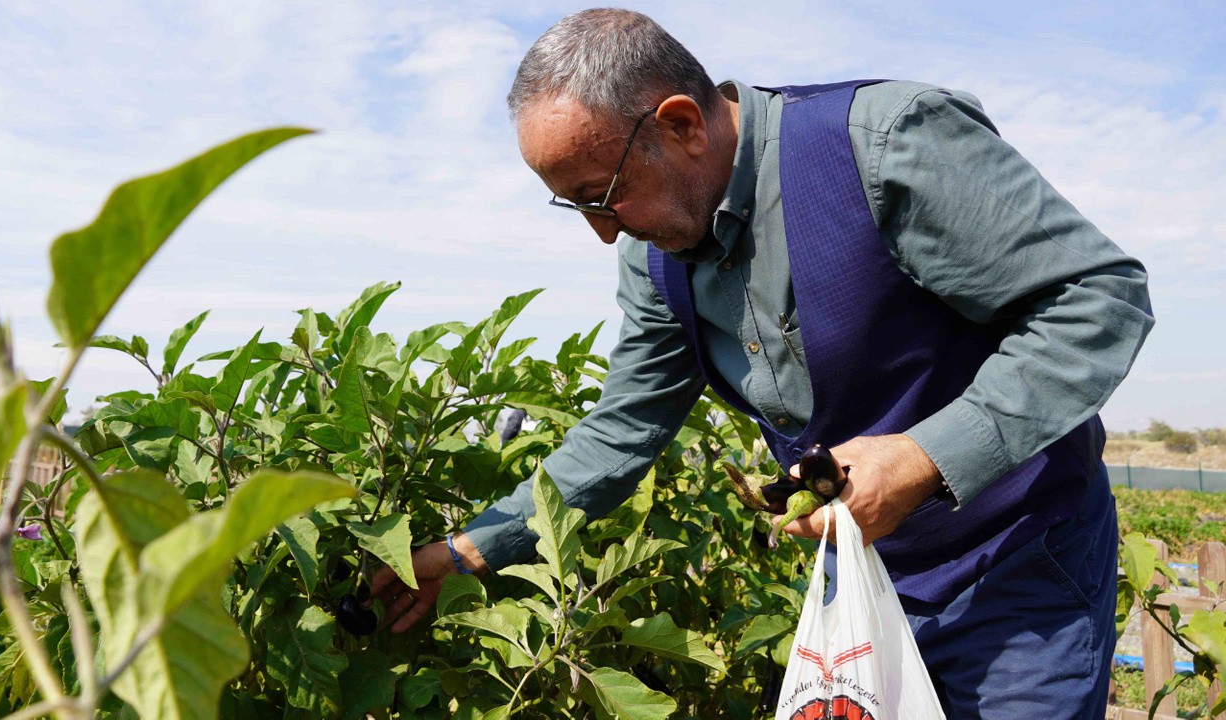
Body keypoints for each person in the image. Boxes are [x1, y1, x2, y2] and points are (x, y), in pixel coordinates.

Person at [368, 9, 1154, 717]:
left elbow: (1098, 298)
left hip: (1013, 565)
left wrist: (922, 458)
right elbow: (621, 431)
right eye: (575, 205)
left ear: (682, 124)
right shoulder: (657, 256)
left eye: (604, 193)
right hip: (862, 578)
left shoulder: (881, 143)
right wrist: (465, 552)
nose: (605, 233)